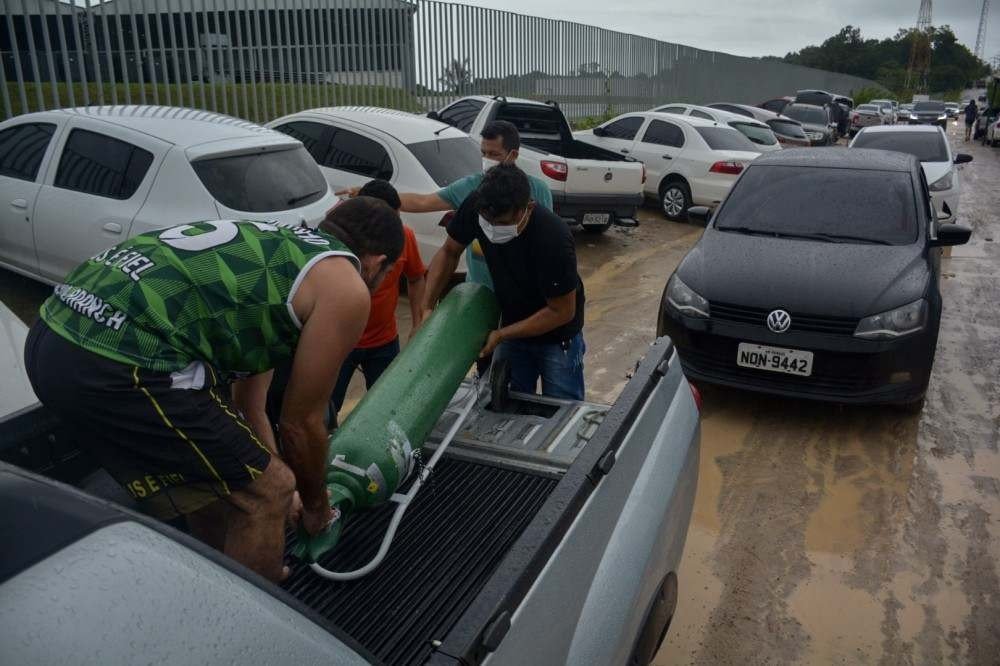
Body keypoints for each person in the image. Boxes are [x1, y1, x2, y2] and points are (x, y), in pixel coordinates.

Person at [23, 199, 403, 583]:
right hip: (119, 358)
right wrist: (316, 507)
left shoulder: (281, 252)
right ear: (377, 262)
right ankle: (246, 613)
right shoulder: (346, 286)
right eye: (387, 274)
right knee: (270, 490)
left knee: (224, 483)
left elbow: (248, 406)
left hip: (53, 331)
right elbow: (300, 424)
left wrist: (279, 480)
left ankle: (214, 577)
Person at [421, 163, 586, 400]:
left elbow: (561, 311)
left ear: (528, 208)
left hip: (557, 338)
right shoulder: (479, 206)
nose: (492, 228)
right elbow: (449, 252)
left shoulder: (553, 238)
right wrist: (427, 306)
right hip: (511, 326)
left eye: (503, 223)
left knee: (560, 407)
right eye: (488, 221)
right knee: (505, 402)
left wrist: (501, 335)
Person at [339, 120, 553, 290]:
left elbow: (545, 242)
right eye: (483, 153)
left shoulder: (538, 190)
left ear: (512, 155)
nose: (487, 160)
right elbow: (422, 202)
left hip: (522, 290)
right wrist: (371, 195)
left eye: (494, 155)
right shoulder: (471, 186)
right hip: (479, 290)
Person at [329, 180, 427, 415]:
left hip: (384, 342)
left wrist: (417, 323)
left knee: (388, 409)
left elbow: (416, 279)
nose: (395, 228)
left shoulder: (404, 237)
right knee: (326, 411)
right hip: (338, 342)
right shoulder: (336, 239)